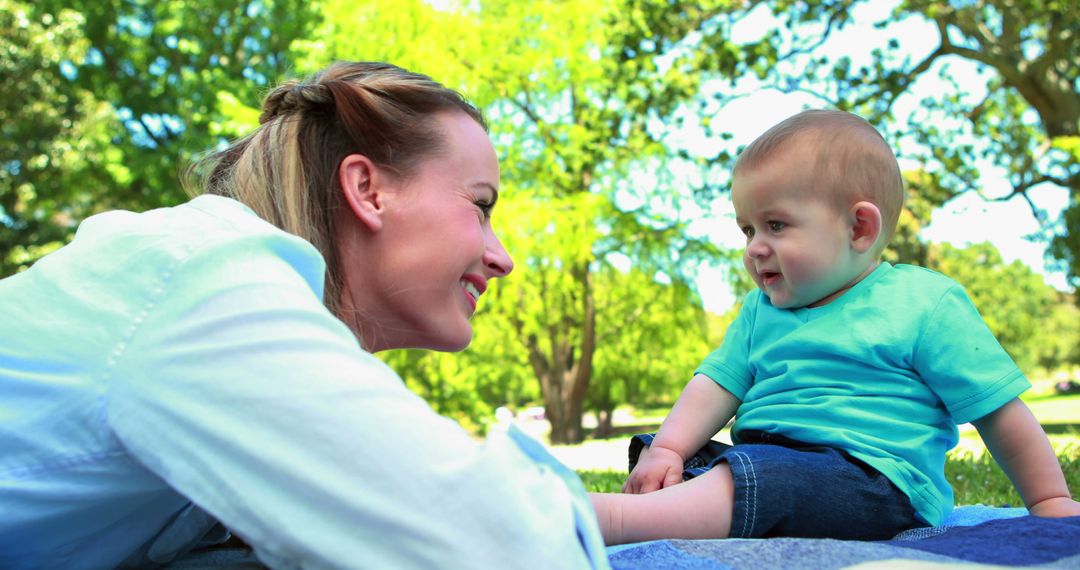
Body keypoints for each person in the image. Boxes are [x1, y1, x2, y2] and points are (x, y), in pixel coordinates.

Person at [0, 61, 606, 569]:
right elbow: (504, 546)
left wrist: (666, 510)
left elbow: (393, 493)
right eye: (480, 206)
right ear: (368, 190)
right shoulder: (207, 286)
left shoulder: (197, 283)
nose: (502, 259)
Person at [589, 109, 1080, 545]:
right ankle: (667, 505)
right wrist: (672, 448)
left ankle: (614, 519)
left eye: (775, 225)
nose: (754, 247)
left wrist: (1049, 499)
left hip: (874, 483)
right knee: (669, 452)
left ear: (858, 228)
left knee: (763, 478)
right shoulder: (760, 310)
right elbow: (716, 384)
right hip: (768, 464)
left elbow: (999, 412)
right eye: (747, 229)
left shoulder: (922, 303)